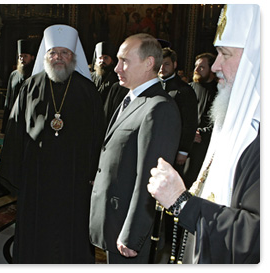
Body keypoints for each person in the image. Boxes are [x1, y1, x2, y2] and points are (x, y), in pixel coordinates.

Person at [148, 4, 260, 264]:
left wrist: (182, 203)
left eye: (225, 54)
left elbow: (257, 237)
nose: (216, 65)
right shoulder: (232, 114)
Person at [0, 24, 105, 263]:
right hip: (36, 175)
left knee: (71, 230)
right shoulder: (29, 86)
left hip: (74, 176)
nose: (58, 58)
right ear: (45, 56)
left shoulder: (88, 91)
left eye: (64, 53)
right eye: (53, 53)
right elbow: (15, 131)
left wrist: (94, 172)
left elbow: (98, 136)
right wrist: (15, 173)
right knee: (37, 228)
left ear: (73, 57)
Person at [89, 33, 181, 264]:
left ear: (149, 63)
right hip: (113, 218)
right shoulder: (129, 97)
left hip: (126, 228)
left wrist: (133, 234)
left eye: (125, 61)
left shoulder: (158, 107)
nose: (117, 67)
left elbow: (149, 179)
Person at [158, 47, 198, 176]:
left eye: (167, 64)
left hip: (173, 147)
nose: (162, 68)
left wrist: (184, 150)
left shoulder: (184, 90)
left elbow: (190, 122)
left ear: (175, 65)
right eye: (160, 64)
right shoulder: (152, 86)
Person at [183, 53, 218, 188]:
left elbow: (218, 122)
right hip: (186, 140)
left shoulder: (219, 91)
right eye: (196, 66)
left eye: (202, 67)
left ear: (212, 69)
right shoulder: (189, 88)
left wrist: (200, 133)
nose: (196, 70)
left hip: (204, 145)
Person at [1, 39, 36, 133]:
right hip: (15, 115)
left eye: (25, 56)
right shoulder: (14, 75)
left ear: (32, 57)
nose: (22, 59)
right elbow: (8, 99)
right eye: (20, 56)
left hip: (30, 116)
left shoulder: (36, 75)